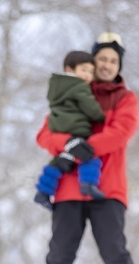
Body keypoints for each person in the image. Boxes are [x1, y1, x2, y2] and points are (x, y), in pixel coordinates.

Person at [34, 32, 139, 264]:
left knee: (114, 251)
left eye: (113, 60)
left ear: (119, 65)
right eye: (102, 59)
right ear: (93, 63)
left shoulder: (125, 98)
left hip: (108, 188)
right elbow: (45, 135)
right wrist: (69, 143)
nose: (107, 65)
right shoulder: (73, 92)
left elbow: (121, 132)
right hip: (69, 189)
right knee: (59, 254)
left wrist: (87, 147)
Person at [45, 50, 106, 199]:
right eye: (84, 70)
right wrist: (100, 117)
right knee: (88, 152)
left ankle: (43, 190)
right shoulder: (79, 86)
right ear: (69, 69)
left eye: (91, 72)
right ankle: (88, 184)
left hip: (57, 125)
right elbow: (90, 106)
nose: (88, 76)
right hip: (75, 126)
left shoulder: (55, 85)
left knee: (60, 159)